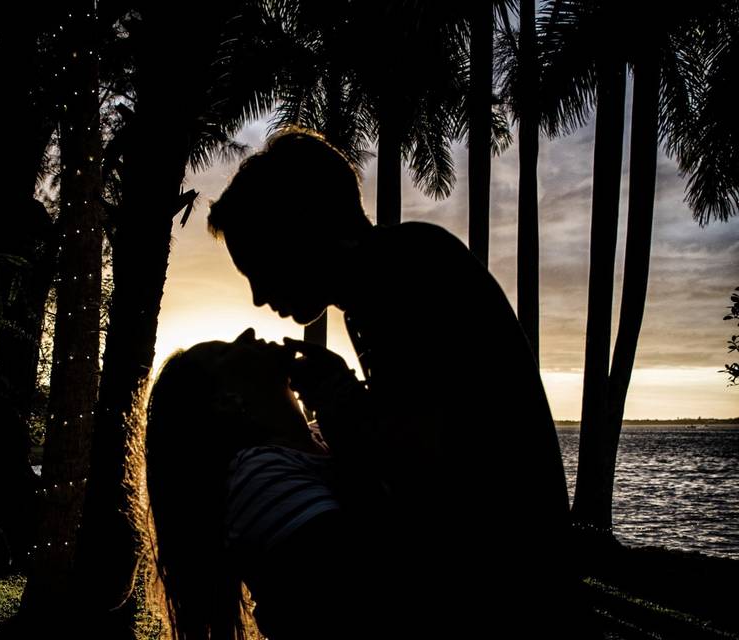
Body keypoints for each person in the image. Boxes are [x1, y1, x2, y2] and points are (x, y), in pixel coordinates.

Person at [206, 128, 576, 636]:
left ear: (299, 229)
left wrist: (343, 410)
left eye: (259, 266)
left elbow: (425, 480)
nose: (257, 296)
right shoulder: (395, 273)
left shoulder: (402, 274)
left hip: (504, 597)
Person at [143, 329, 393, 640]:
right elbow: (365, 582)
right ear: (227, 401)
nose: (247, 334)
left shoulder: (321, 435)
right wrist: (345, 420)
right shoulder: (260, 478)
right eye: (225, 351)